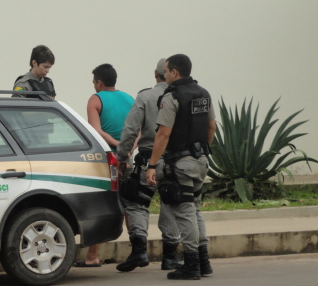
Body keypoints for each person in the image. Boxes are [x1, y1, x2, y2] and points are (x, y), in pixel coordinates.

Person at [146, 54, 216, 280]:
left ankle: (192, 265)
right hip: (200, 160)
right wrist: (202, 150)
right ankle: (204, 263)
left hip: (181, 163)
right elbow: (212, 127)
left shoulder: (172, 96)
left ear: (175, 73)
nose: (164, 75)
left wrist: (152, 165)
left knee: (185, 211)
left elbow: (163, 134)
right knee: (195, 209)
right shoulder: (203, 93)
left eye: (166, 71)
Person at [115, 58, 183, 273]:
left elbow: (130, 130)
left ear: (156, 74)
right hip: (175, 163)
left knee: (136, 203)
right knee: (171, 204)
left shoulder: (145, 96)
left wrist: (122, 156)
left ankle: (139, 251)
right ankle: (171, 257)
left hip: (147, 162)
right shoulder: (184, 96)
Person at [76, 63, 133, 268]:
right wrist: (128, 149)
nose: (93, 85)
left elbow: (95, 130)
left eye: (94, 82)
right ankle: (137, 250)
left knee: (102, 203)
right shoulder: (129, 99)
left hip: (106, 156)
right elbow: (140, 130)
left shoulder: (96, 99)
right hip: (128, 157)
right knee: (129, 206)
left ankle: (92, 256)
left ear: (99, 82)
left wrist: (116, 145)